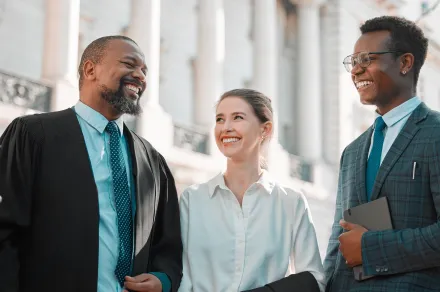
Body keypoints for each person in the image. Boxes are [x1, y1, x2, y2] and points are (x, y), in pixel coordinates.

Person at [0, 36, 182, 292]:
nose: (140, 76)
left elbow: (168, 243)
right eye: (130, 64)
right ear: (90, 69)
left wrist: (163, 279)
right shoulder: (34, 135)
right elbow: (5, 232)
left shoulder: (151, 160)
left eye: (144, 70)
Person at [324, 16, 440, 291]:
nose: (356, 70)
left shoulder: (435, 134)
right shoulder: (351, 152)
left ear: (405, 63)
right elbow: (337, 240)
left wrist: (371, 249)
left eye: (367, 59)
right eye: (353, 62)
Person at [178, 89, 325, 292]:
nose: (226, 127)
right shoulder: (192, 199)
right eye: (220, 119)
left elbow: (314, 278)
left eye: (238, 117)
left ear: (265, 130)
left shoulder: (291, 202)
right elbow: (183, 278)